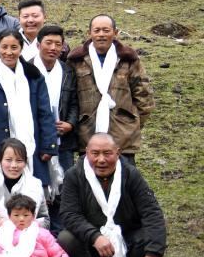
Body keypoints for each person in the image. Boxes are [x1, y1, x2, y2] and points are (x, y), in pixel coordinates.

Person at [57, 133, 166, 257]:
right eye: (95, 153)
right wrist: (95, 237)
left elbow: (152, 213)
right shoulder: (74, 175)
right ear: (86, 152)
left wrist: (154, 252)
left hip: (126, 237)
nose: (101, 160)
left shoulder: (131, 174)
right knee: (66, 238)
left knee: (146, 235)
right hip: (91, 241)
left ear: (118, 152)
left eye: (107, 153)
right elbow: (69, 214)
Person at [0, 30, 58, 188]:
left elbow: (45, 113)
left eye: (14, 47)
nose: (9, 52)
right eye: (4, 47)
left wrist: (48, 145)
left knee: (31, 192)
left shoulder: (33, 76)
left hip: (32, 145)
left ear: (21, 48)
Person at [66, 14, 154, 161]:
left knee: (124, 175)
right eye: (97, 30)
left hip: (123, 138)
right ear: (89, 33)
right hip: (87, 134)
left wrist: (132, 123)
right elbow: (70, 98)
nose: (101, 34)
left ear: (115, 32)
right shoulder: (76, 60)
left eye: (106, 30)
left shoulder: (128, 59)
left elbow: (144, 96)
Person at [32, 25, 80, 212]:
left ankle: (64, 223)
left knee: (66, 186)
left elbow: (75, 101)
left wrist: (70, 123)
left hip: (63, 139)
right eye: (48, 43)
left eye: (57, 44)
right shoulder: (27, 69)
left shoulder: (67, 71)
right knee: (38, 185)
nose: (53, 48)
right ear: (38, 45)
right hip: (36, 139)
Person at [0, 139, 49, 243]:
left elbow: (45, 219)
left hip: (32, 238)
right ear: (0, 160)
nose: (14, 165)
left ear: (25, 162)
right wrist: (0, 222)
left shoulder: (35, 185)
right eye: (8, 160)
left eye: (19, 160)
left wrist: (30, 225)